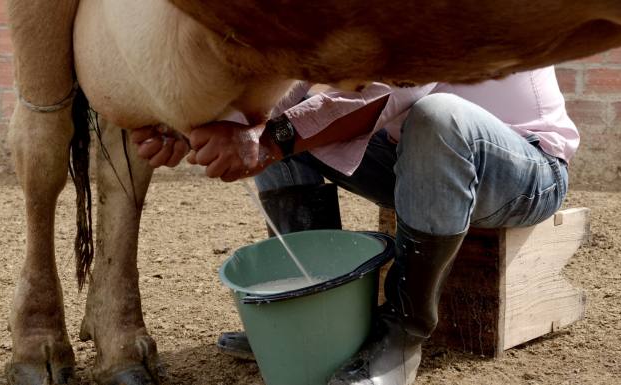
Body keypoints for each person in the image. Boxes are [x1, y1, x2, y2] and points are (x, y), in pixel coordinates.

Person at [132, 66, 578, 385]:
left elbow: (398, 90)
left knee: (440, 114)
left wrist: (269, 140)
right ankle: (314, 311)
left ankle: (403, 335)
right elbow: (295, 87)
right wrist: (195, 128)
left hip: (524, 167)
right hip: (416, 158)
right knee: (268, 115)